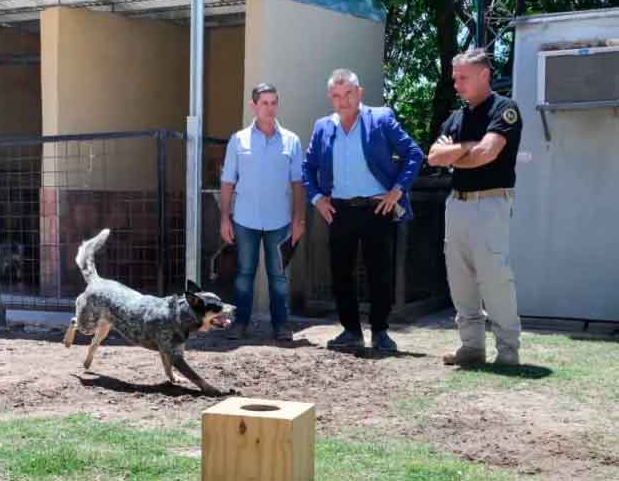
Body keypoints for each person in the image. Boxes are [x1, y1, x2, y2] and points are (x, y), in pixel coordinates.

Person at [302, 69, 423, 352]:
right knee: (340, 273)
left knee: (380, 273)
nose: (343, 101)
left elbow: (413, 153)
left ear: (359, 93)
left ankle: (380, 332)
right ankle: (351, 331)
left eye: (348, 94)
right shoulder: (322, 127)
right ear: (330, 98)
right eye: (336, 96)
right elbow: (307, 168)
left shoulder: (380, 119)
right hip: (339, 210)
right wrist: (317, 198)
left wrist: (397, 190)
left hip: (376, 208)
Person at [427, 47, 523, 366]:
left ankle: (507, 349)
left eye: (463, 78)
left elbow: (487, 153)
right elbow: (433, 157)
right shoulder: (456, 117)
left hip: (491, 202)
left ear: (484, 75)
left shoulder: (504, 109)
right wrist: (468, 148)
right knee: (460, 277)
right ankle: (472, 346)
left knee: (495, 277)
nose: (456, 85)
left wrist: (458, 152)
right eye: (454, 79)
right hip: (457, 205)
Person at [219, 83, 305, 341]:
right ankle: (240, 323)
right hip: (245, 219)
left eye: (274, 102)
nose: (270, 108)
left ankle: (281, 325)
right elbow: (227, 181)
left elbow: (298, 183)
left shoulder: (292, 140)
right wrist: (225, 217)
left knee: (278, 277)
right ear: (253, 106)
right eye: (264, 103)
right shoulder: (238, 140)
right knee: (244, 274)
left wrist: (298, 218)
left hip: (280, 221)